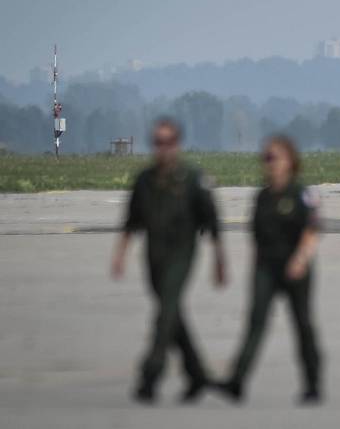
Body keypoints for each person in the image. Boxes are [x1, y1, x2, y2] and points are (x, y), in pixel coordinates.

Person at [111, 117, 227, 404]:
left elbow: (212, 222)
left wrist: (219, 261)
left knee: (165, 314)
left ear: (177, 145)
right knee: (172, 314)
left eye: (168, 142)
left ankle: (150, 375)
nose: (163, 148)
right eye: (158, 143)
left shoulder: (192, 178)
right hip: (153, 257)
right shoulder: (145, 180)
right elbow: (130, 222)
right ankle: (197, 374)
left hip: (182, 254)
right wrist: (119, 256)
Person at [217, 135, 323, 405]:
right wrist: (253, 273)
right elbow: (255, 237)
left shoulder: (303, 194)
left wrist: (300, 259)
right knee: (255, 323)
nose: (270, 163)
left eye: (274, 157)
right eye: (266, 158)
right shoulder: (262, 197)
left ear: (290, 161)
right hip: (266, 267)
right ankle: (237, 381)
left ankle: (312, 383)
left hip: (295, 267)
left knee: (302, 324)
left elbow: (312, 231)